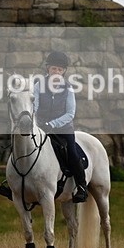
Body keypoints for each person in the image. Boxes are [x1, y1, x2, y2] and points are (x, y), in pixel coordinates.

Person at [34, 51, 87, 203]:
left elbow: (70, 113)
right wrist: (39, 122)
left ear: (63, 71)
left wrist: (52, 124)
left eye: (59, 69)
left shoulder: (68, 88)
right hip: (41, 127)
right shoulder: (38, 86)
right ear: (48, 69)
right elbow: (34, 106)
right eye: (53, 69)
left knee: (71, 152)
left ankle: (81, 187)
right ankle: (14, 183)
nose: (56, 72)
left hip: (63, 128)